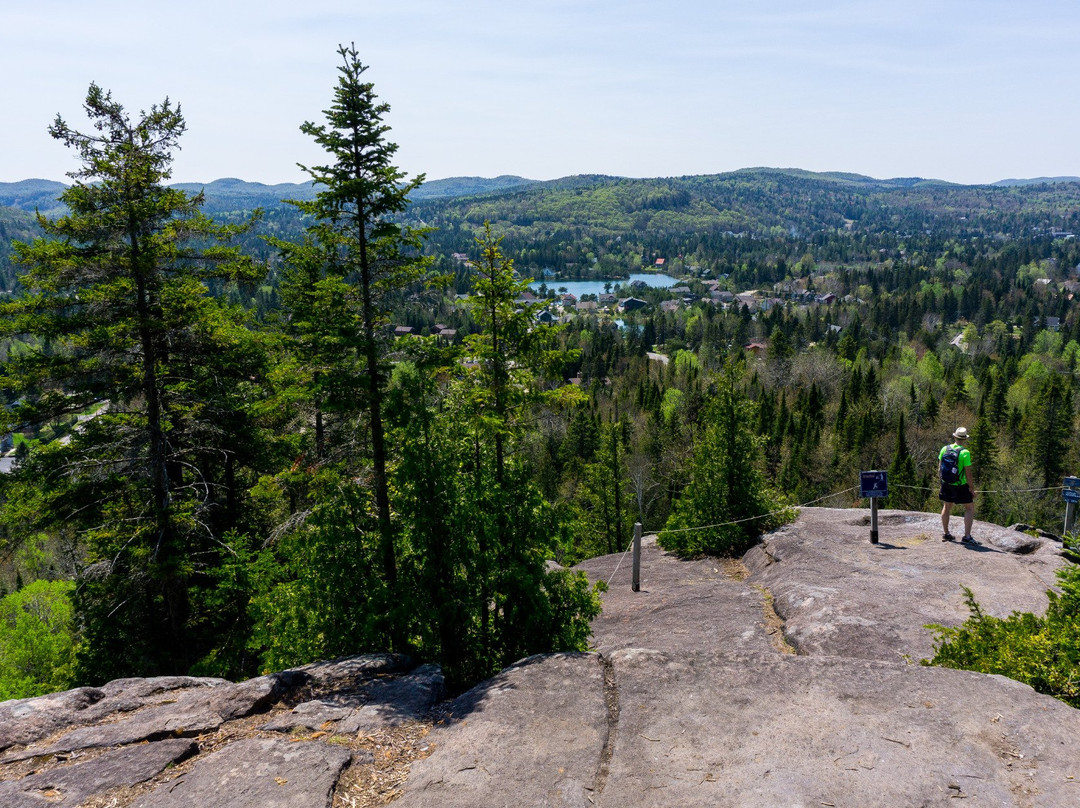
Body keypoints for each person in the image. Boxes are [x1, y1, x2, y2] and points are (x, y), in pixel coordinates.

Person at [939, 426, 976, 544]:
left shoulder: (944, 449)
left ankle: (946, 534)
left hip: (947, 483)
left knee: (946, 507)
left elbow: (940, 469)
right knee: (969, 508)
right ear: (964, 439)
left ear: (955, 437)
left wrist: (942, 483)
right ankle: (967, 536)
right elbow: (968, 473)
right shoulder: (965, 453)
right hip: (961, 485)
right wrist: (972, 488)